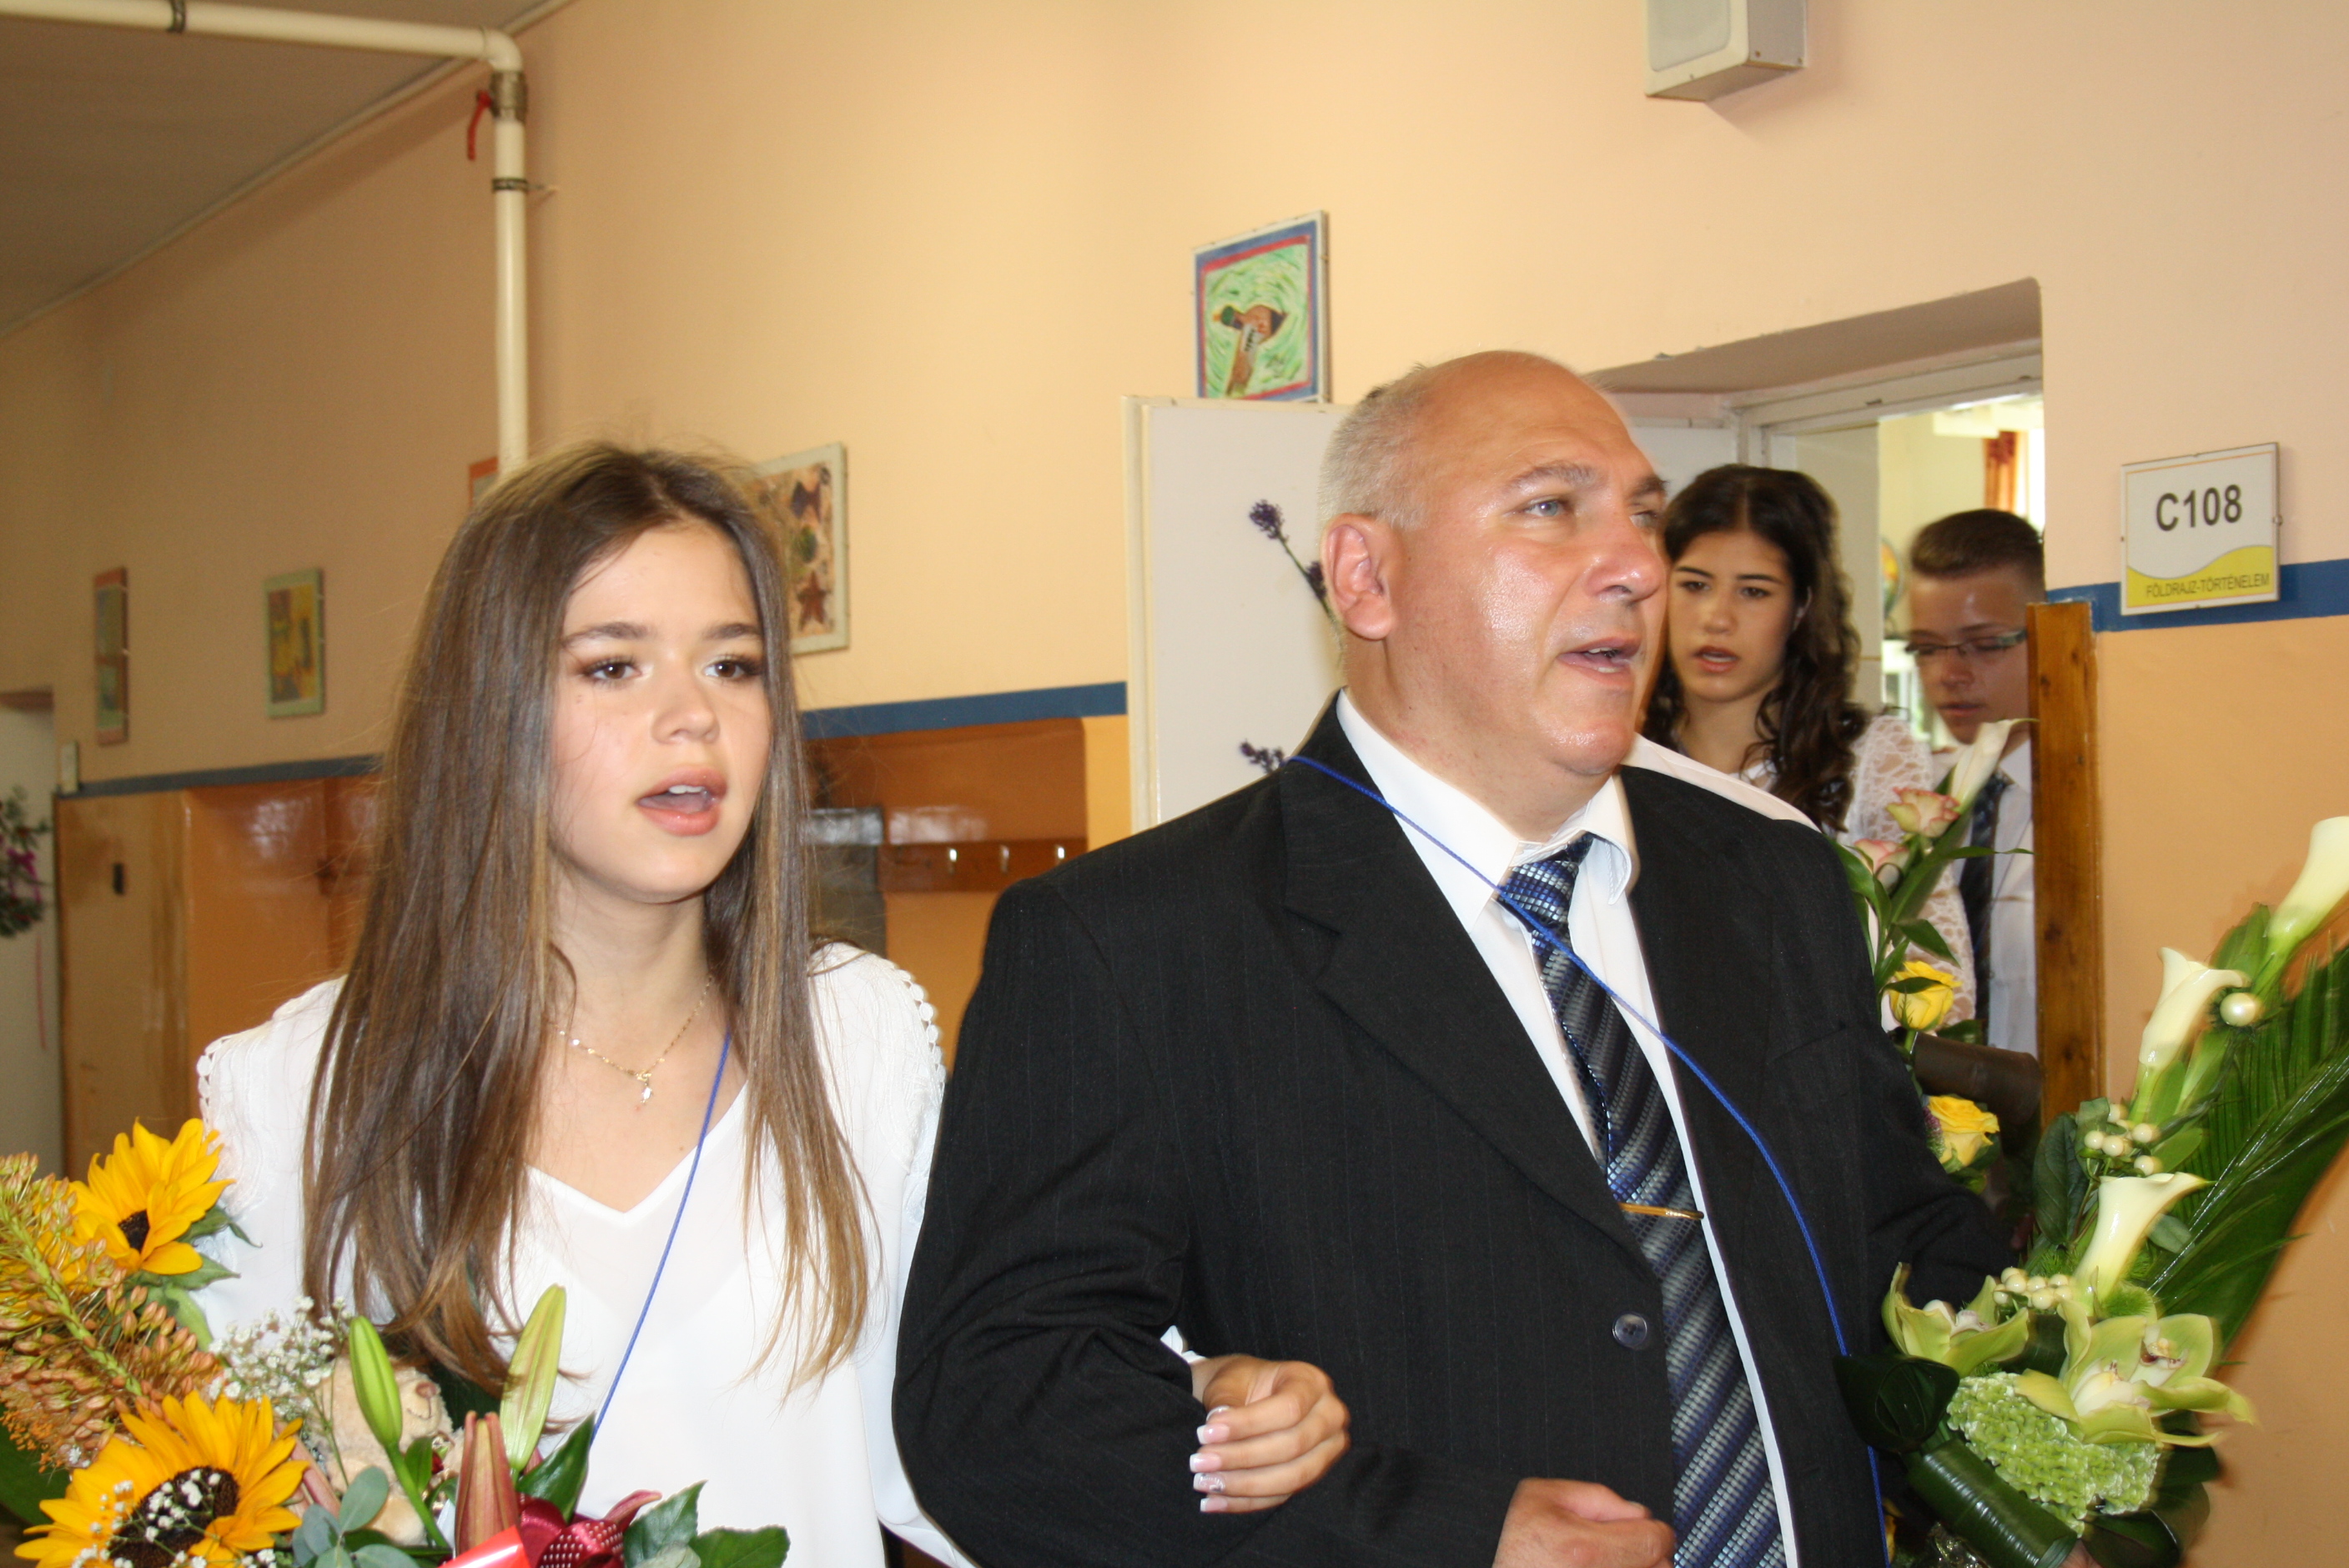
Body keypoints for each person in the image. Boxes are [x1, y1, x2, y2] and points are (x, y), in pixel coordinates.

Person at [897, 353, 2011, 1568]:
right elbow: (1003, 1403)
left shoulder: (1770, 876)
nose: (1637, 566)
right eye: (1551, 507)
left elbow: (1892, 1240)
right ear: (1366, 578)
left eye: (1642, 515)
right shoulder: (1134, 942)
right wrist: (1439, 1536)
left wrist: (2051, 1452)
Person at [193, 445, 1350, 1566]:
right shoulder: (297, 1089)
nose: (693, 716)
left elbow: (967, 1400)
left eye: (733, 666)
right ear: (486, 710)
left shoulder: (857, 1036)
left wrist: (1200, 1394)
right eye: (613, 666)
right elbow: (220, 1501)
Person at [1643, 464, 1975, 1021]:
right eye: (1695, 585)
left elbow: (1944, 988)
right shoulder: (1618, 755)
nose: (1717, 619)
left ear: (1801, 608)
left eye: (1753, 592)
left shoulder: (1870, 757)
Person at [1904, 508, 2045, 1058]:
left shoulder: (2096, 805)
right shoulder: (1919, 799)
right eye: (1926, 648)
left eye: (1985, 645)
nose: (1948, 674)